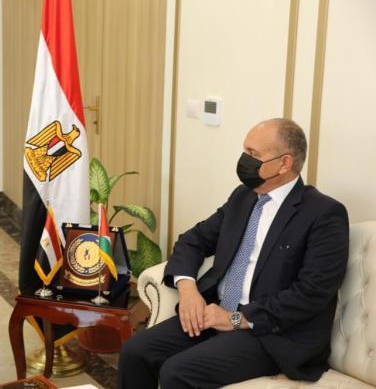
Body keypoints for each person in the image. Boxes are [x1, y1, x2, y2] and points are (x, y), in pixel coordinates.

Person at [118, 119, 349, 388]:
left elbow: (311, 293)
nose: (244, 161)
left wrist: (236, 319)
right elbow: (193, 240)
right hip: (215, 312)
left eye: (253, 154)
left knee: (177, 371)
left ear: (284, 163)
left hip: (271, 333)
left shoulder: (323, 214)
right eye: (244, 151)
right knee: (135, 351)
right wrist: (188, 290)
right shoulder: (243, 196)